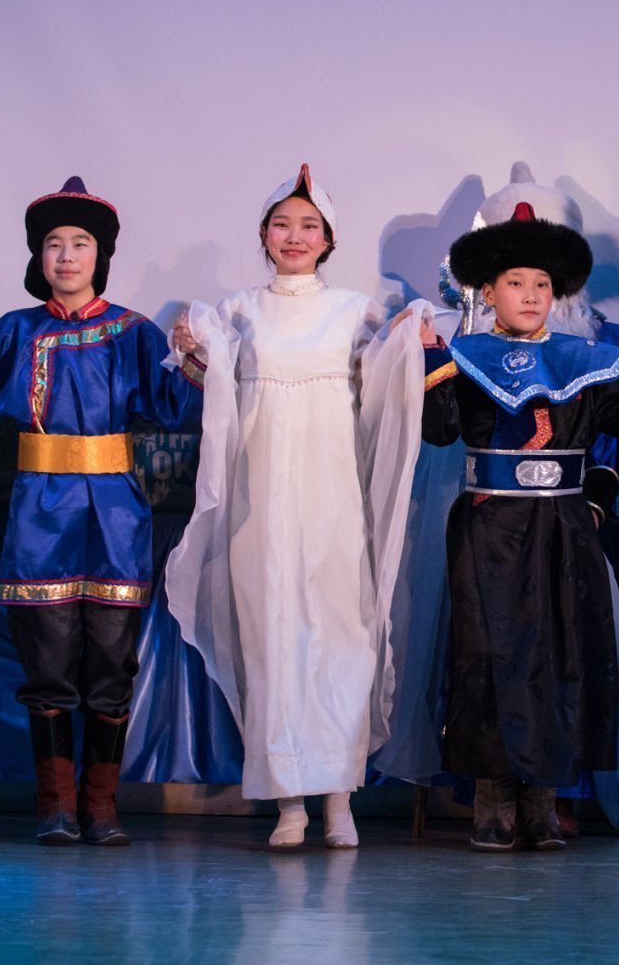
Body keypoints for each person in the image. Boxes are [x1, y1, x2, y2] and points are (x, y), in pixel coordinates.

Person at [419, 205, 619, 852]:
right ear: (488, 292)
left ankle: (543, 801)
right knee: (490, 655)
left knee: (561, 654)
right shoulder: (466, 356)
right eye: (515, 282)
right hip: (490, 525)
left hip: (563, 525)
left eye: (542, 284)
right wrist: (429, 367)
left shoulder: (583, 359)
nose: (531, 295)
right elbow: (440, 431)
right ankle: (493, 798)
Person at [164, 164, 425, 848]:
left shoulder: (355, 311)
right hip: (261, 499)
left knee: (341, 634)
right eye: (282, 224)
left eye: (310, 226)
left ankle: (339, 798)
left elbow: (383, 387)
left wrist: (409, 340)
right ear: (263, 234)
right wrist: (191, 347)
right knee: (273, 636)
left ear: (329, 239)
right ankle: (288, 802)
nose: (295, 236)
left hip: (333, 493)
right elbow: (212, 384)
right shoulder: (239, 311)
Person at [0, 176, 205, 846]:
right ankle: (54, 806)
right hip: (38, 513)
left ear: (100, 254)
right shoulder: (13, 331)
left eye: (80, 243)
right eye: (54, 243)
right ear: (39, 255)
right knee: (46, 667)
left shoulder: (132, 332)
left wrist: (192, 358)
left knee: (112, 664)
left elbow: (178, 407)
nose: (67, 255)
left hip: (114, 514)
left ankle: (101, 807)